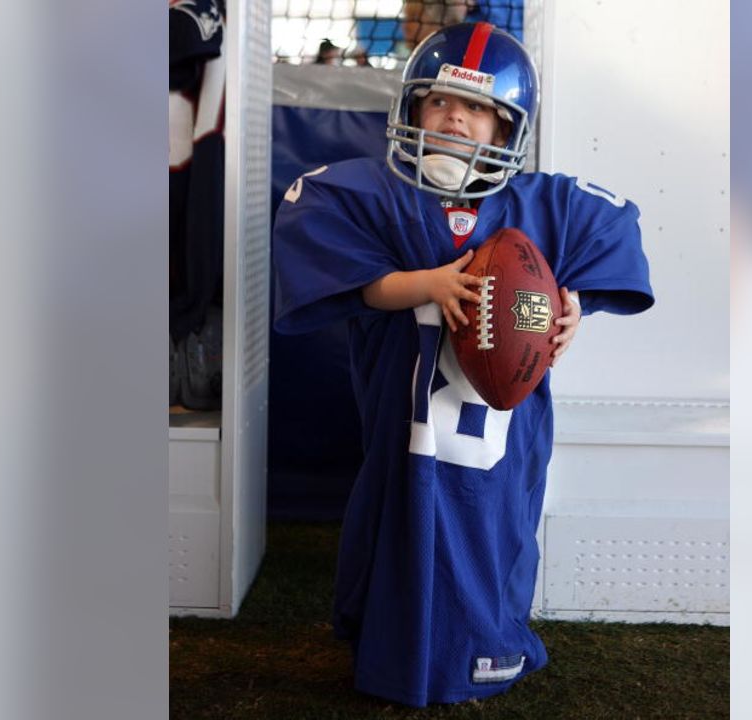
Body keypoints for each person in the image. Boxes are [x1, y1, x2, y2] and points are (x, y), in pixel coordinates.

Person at [272, 22, 654, 707]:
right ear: (411, 108)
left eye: (477, 107)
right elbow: (344, 276)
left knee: (494, 534)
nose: (455, 114)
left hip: (497, 448)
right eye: (441, 100)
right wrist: (428, 284)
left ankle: (484, 646)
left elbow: (614, 230)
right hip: (405, 431)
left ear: (507, 130)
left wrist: (572, 303)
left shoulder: (545, 206)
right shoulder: (371, 194)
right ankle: (383, 646)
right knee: (391, 529)